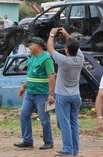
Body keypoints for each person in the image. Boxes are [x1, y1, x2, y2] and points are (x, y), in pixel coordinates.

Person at [47, 27, 84, 156]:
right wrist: (67, 35)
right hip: (76, 96)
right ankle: (74, 150)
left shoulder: (64, 61)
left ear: (66, 50)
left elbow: (50, 49)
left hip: (63, 96)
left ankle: (68, 149)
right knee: (74, 123)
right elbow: (75, 47)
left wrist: (52, 34)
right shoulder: (80, 59)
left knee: (64, 123)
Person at [14, 37, 55, 150]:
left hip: (42, 94)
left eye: (31, 45)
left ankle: (48, 141)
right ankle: (27, 140)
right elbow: (31, 76)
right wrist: (23, 87)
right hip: (30, 93)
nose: (29, 47)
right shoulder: (32, 58)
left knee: (44, 118)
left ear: (38, 46)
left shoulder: (46, 59)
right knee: (24, 115)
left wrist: (50, 95)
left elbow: (51, 77)